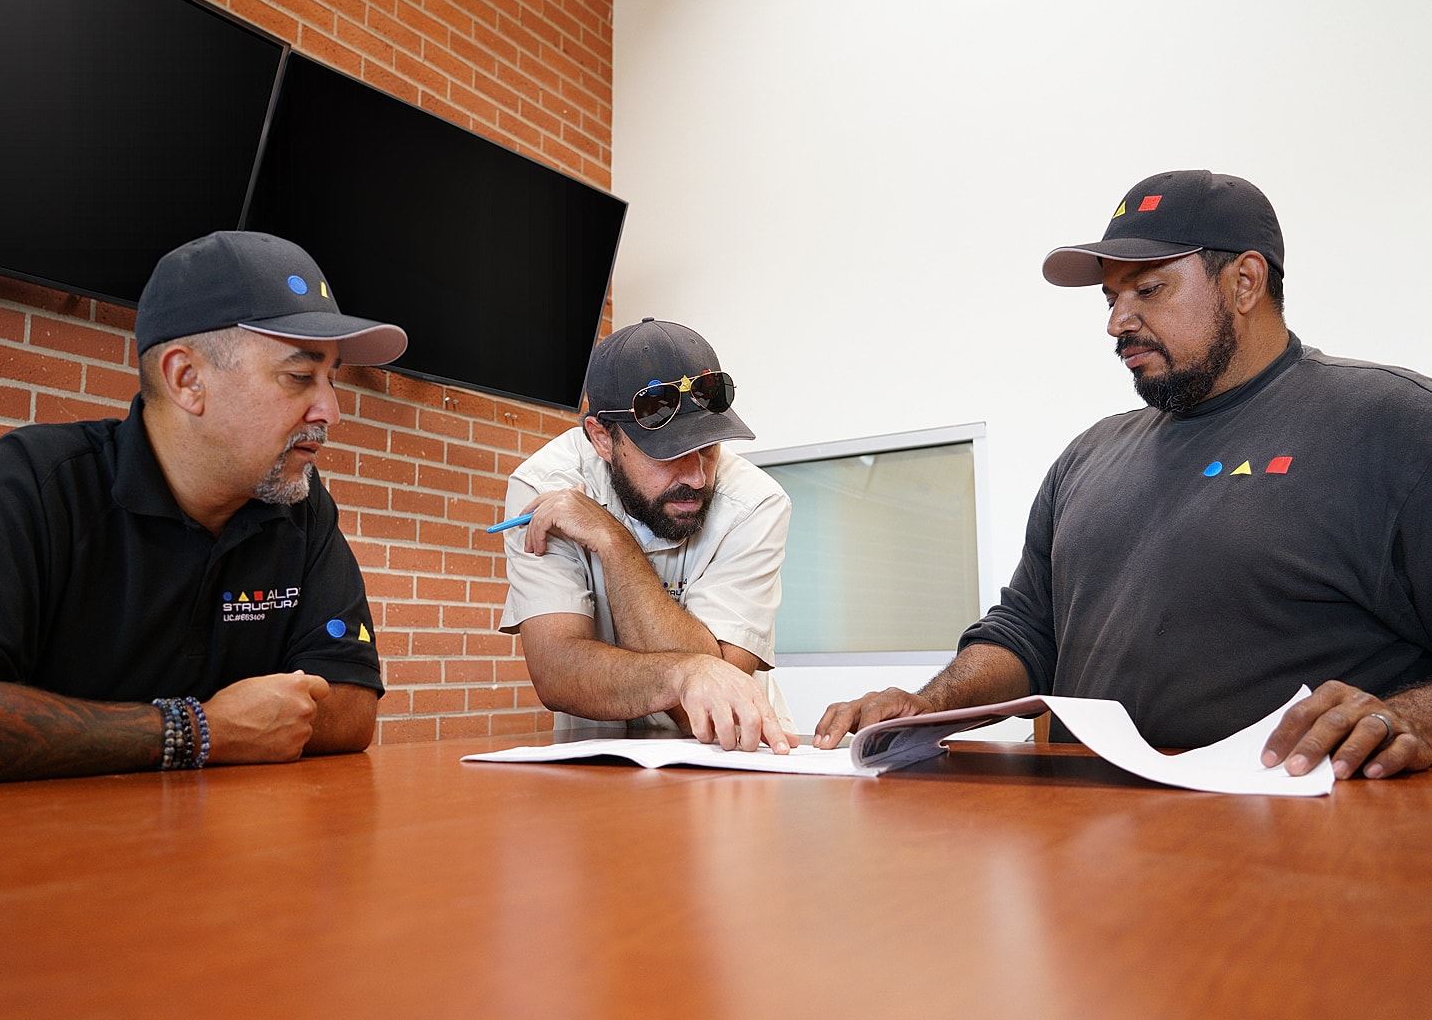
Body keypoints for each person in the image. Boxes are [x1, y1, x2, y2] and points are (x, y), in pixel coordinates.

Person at [816, 169, 1432, 780]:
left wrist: (1409, 717)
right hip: (1087, 839)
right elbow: (1027, 632)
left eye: (1149, 290)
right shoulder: (1089, 455)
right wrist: (929, 707)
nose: (1117, 323)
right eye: (1112, 298)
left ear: (1245, 281)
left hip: (1294, 841)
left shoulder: (1397, 426)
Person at [0, 230, 409, 782]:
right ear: (187, 380)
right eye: (300, 376)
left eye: (331, 378)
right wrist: (196, 730)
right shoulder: (32, 486)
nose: (329, 409)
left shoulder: (299, 504)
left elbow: (350, 707)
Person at [499, 317, 796, 753]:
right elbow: (556, 672)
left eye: (708, 447)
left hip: (736, 752)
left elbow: (716, 701)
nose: (696, 477)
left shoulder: (756, 503)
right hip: (599, 758)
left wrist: (612, 540)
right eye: (669, 453)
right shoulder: (545, 487)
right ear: (602, 438)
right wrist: (686, 672)